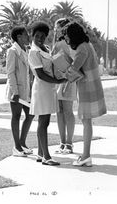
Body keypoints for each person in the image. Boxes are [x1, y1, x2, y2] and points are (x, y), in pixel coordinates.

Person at [64, 22, 107, 166]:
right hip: (90, 86)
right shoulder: (87, 45)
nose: (66, 39)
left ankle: (86, 156)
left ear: (73, 36)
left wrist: (63, 71)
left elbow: (74, 68)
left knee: (86, 121)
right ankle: (85, 156)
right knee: (86, 121)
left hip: (87, 89)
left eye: (67, 36)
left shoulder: (82, 48)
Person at [28, 21, 66, 166]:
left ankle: (40, 153)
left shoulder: (46, 48)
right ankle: (46, 157)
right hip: (42, 89)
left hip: (49, 88)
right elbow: (40, 74)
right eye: (37, 35)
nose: (40, 38)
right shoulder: (33, 52)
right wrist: (58, 82)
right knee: (43, 123)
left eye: (43, 36)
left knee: (45, 122)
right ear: (33, 35)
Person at [6, 26, 34, 157]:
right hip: (16, 91)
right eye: (25, 34)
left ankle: (22, 143)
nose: (28, 36)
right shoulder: (12, 51)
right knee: (16, 116)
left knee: (30, 115)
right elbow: (10, 73)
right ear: (19, 37)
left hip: (26, 91)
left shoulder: (26, 50)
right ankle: (16, 147)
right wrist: (15, 92)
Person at [51, 18, 77, 154]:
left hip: (69, 80)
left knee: (68, 111)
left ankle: (69, 143)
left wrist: (68, 81)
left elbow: (75, 63)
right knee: (59, 112)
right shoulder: (56, 43)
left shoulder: (69, 43)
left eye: (57, 27)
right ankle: (62, 143)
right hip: (57, 81)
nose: (55, 30)